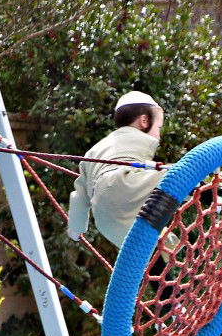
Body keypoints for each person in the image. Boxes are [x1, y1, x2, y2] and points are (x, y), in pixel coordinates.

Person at [68, 91, 166, 248]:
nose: (159, 136)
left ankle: (158, 262)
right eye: (159, 128)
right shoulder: (137, 137)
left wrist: (75, 228)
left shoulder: (94, 150)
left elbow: (80, 195)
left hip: (104, 218)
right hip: (122, 183)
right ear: (144, 120)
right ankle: (210, 193)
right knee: (176, 175)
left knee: (149, 247)